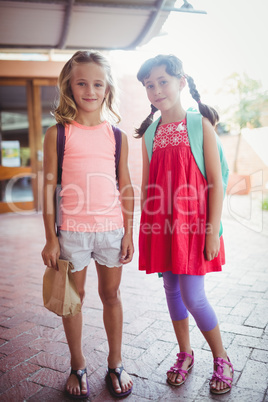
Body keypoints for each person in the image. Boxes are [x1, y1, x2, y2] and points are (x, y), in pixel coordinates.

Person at [136, 54, 233, 395]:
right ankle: (185, 354)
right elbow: (150, 186)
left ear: (180, 82)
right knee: (172, 291)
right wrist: (146, 231)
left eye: (163, 81)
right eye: (150, 85)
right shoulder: (150, 133)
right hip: (162, 225)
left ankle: (221, 358)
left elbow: (217, 182)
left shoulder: (199, 123)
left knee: (194, 297)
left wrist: (212, 230)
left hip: (194, 226)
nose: (157, 89)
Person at [41, 50, 134, 399]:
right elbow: (48, 188)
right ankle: (77, 364)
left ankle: (115, 362)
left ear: (107, 88)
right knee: (73, 299)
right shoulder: (58, 134)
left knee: (111, 295)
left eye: (98, 83)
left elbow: (125, 185)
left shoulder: (118, 136)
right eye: (82, 83)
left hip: (111, 231)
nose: (90, 90)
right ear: (69, 86)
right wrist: (51, 238)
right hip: (73, 234)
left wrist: (128, 231)